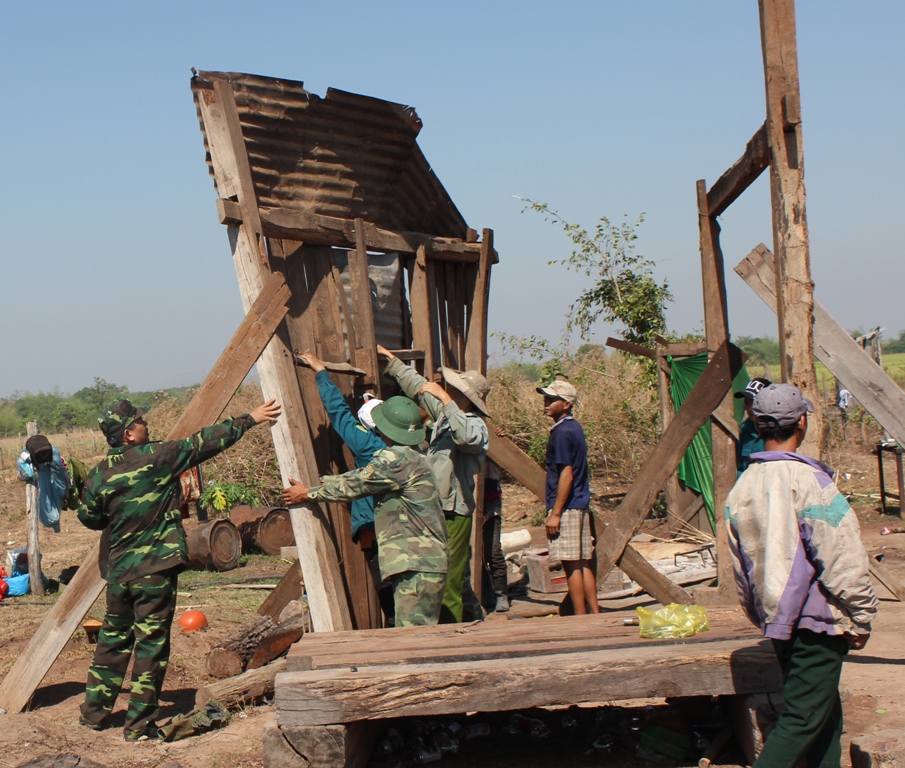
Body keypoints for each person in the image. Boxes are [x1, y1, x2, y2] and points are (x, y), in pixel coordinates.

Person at [77, 396, 282, 741]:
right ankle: (139, 727)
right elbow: (204, 442)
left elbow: (89, 517)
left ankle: (93, 716)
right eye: (140, 421)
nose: (147, 424)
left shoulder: (98, 474)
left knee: (112, 641)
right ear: (128, 434)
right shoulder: (158, 458)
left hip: (118, 573)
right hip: (153, 572)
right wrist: (251, 418)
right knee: (151, 646)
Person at [725, 383, 877, 767]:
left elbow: (739, 565)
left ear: (756, 424)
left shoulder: (742, 487)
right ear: (803, 422)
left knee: (825, 715)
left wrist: (760, 613)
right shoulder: (811, 482)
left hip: (779, 619)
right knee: (803, 718)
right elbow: (841, 556)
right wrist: (861, 614)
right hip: (818, 622)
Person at [281, 396, 448, 626]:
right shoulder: (414, 456)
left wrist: (309, 493)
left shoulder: (394, 459)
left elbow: (356, 484)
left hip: (416, 564)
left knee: (414, 640)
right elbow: (363, 476)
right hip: (423, 562)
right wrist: (321, 481)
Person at [377, 345, 490, 624]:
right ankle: (467, 625)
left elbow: (466, 439)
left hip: (453, 514)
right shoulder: (445, 414)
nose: (446, 390)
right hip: (435, 511)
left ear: (465, 396)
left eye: (453, 390)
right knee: (438, 576)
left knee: (449, 582)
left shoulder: (475, 425)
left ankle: (452, 637)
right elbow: (418, 387)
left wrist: (445, 400)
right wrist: (392, 361)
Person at [297, 351, 395, 624]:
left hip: (375, 528)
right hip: (406, 531)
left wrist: (319, 370)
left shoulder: (367, 445)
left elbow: (339, 412)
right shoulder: (410, 449)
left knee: (388, 594)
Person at [537, 380, 598, 615]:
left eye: (552, 400)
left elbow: (566, 475)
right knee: (583, 563)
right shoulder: (575, 428)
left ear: (567, 404)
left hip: (567, 506)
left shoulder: (561, 433)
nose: (546, 403)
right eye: (546, 398)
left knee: (571, 564)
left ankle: (580, 619)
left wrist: (555, 513)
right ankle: (593, 613)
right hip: (580, 502)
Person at [483, 454, 509, 613]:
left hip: (491, 503)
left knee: (493, 552)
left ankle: (501, 594)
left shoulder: (491, 445)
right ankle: (485, 595)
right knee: (476, 555)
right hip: (470, 503)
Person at [734, 377, 772, 474]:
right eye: (747, 403)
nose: (750, 409)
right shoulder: (744, 431)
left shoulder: (779, 432)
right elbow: (739, 467)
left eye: (755, 403)